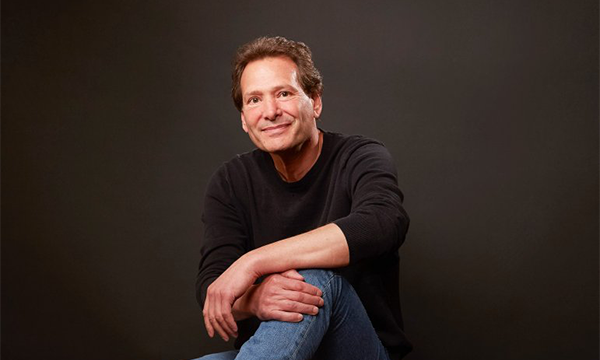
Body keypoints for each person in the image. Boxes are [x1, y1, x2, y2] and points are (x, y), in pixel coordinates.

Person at [195, 36, 412, 360]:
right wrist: (255, 299)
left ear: (315, 101)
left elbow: (381, 224)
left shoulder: (361, 156)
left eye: (283, 93)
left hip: (358, 352)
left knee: (314, 281)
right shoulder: (230, 182)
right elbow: (213, 288)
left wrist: (253, 263)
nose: (270, 111)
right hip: (277, 351)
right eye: (254, 100)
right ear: (243, 118)